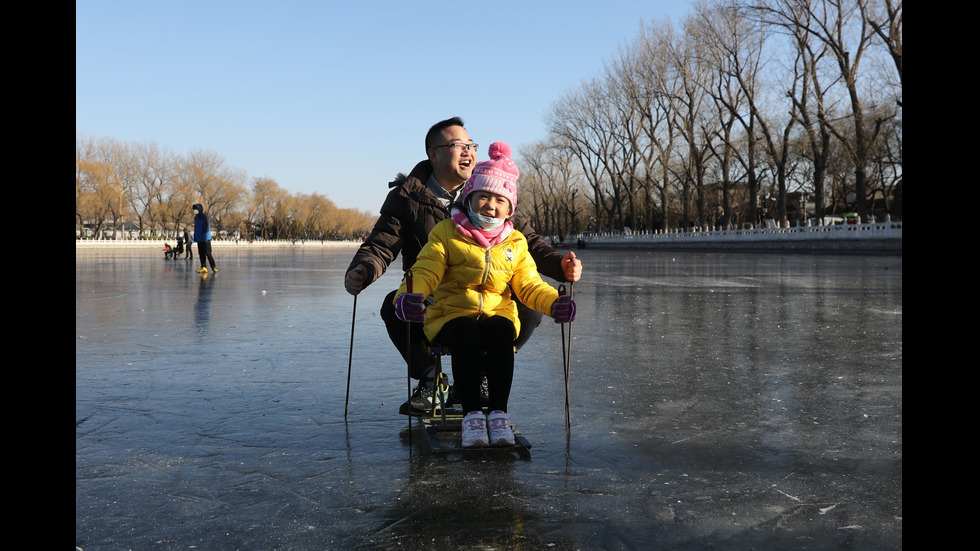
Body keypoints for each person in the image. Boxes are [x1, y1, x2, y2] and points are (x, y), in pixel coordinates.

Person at [344, 117, 582, 416]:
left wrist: (561, 265)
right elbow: (382, 244)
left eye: (472, 145)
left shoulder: (494, 189)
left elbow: (529, 244)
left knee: (529, 310)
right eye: (459, 145)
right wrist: (363, 271)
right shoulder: (407, 198)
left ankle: (481, 376)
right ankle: (432, 381)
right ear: (434, 154)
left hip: (491, 294)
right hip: (432, 292)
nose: (469, 151)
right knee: (394, 306)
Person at [392, 141, 577, 447]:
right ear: (469, 198)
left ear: (509, 208)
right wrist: (408, 296)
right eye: (483, 197)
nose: (491, 206)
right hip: (451, 313)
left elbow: (529, 284)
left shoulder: (515, 242)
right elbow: (426, 269)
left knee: (503, 329)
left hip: (496, 312)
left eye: (499, 200)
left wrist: (555, 303)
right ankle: (473, 416)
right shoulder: (447, 233)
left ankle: (499, 414)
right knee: (464, 331)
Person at [192, 203, 217, 273]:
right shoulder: (196, 218)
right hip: (199, 238)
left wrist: (205, 234)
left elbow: (207, 226)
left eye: (196, 209)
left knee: (208, 253)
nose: (195, 211)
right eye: (194, 209)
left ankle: (213, 266)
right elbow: (196, 228)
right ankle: (203, 267)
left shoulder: (204, 216)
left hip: (205, 238)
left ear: (200, 209)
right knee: (201, 253)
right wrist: (195, 236)